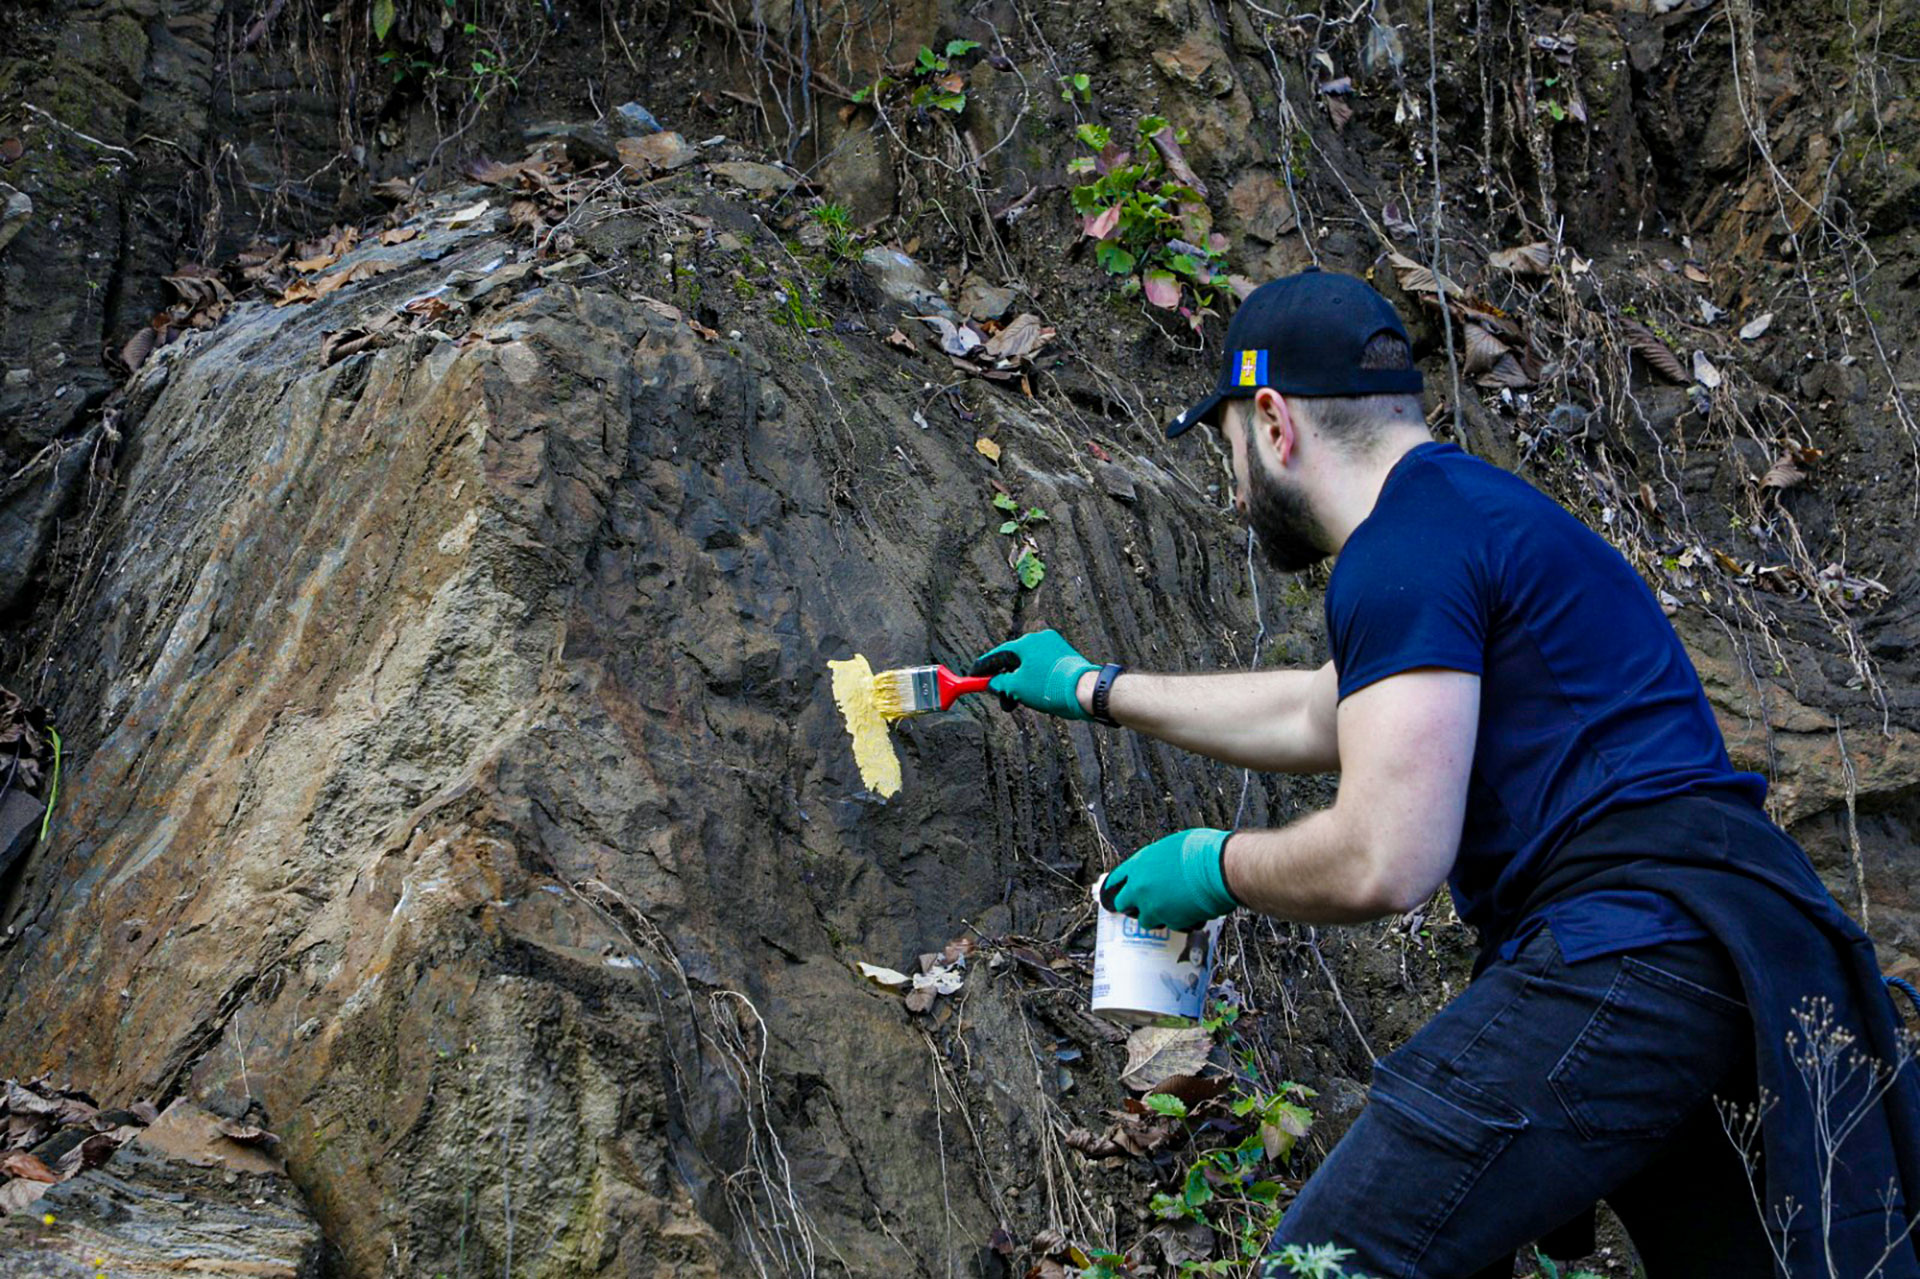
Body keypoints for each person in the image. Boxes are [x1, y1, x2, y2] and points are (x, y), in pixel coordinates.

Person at [970, 270, 1920, 1279]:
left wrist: (1216, 866)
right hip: (1746, 957)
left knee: (1331, 1263)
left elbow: (1385, 859)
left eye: (1230, 449)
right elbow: (1321, 711)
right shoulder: (1475, 516)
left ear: (1274, 421)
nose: (1235, 490)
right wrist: (1093, 688)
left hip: (1632, 947)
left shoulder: (1404, 550)